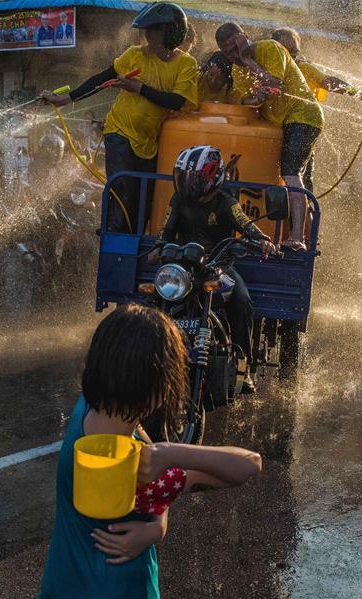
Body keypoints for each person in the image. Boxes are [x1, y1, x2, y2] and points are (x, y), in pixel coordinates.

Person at [39, 304, 263, 598]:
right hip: (123, 589)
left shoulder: (89, 409)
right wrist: (171, 454)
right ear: (154, 386)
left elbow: (157, 499)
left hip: (63, 584)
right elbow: (250, 465)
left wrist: (156, 526)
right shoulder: (138, 467)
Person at [40, 3, 198, 234]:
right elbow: (102, 79)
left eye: (152, 31)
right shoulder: (135, 55)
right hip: (119, 131)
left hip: (148, 143)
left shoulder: (186, 64)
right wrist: (67, 98)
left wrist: (138, 88)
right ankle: (113, 234)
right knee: (122, 187)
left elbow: (177, 102)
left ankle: (130, 243)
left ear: (169, 32)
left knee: (144, 199)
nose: (146, 36)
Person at [153, 145, 278, 394]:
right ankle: (152, 357)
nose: (188, 182)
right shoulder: (178, 200)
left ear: (212, 177)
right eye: (185, 176)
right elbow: (166, 230)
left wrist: (262, 239)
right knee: (157, 298)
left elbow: (245, 224)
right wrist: (158, 247)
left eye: (195, 178)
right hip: (184, 267)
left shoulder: (226, 203)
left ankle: (245, 369)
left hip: (217, 267)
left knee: (241, 301)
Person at [215, 22, 323, 251]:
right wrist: (253, 99)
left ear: (245, 36)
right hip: (284, 123)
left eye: (237, 46)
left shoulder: (269, 48)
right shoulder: (236, 70)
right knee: (294, 174)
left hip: (303, 115)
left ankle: (297, 238)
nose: (234, 55)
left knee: (291, 173)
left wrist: (248, 60)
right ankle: (309, 238)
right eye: (228, 52)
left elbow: (275, 84)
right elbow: (246, 101)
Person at [270, 27, 362, 193]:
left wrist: (357, 92)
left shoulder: (301, 67)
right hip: (286, 127)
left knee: (295, 174)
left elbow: (328, 82)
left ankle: (304, 215)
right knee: (298, 175)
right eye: (285, 51)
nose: (291, 56)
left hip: (300, 125)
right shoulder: (269, 68)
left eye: (294, 51)